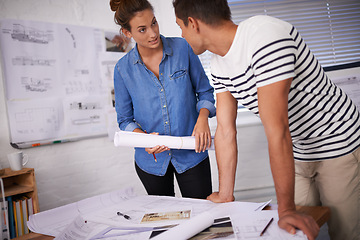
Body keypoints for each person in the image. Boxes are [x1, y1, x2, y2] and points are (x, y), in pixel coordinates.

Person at [172, 0, 360, 240]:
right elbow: (226, 131)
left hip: (337, 143)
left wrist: (287, 209)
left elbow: (277, 129)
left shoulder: (265, 37)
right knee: (294, 233)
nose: (181, 35)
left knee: (345, 233)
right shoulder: (219, 64)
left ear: (193, 23)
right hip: (298, 150)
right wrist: (226, 193)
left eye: (181, 27)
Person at [110, 0, 216, 200]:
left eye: (154, 23)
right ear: (127, 33)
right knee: (165, 222)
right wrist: (144, 139)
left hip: (192, 154)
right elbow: (124, 119)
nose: (152, 33)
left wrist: (203, 118)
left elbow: (205, 91)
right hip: (151, 161)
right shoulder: (122, 70)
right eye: (142, 29)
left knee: (203, 217)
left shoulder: (183, 48)